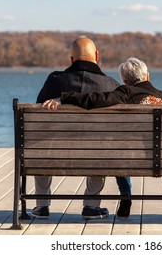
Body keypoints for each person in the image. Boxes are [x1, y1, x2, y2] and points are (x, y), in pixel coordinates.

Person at [43, 57, 162, 217]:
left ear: (124, 81)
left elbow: (94, 100)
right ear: (148, 76)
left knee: (121, 149)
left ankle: (126, 196)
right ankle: (125, 197)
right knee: (126, 147)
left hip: (131, 156)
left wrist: (64, 97)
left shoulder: (125, 92)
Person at [32, 36, 131, 220]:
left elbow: (38, 117)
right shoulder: (110, 85)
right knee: (100, 147)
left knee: (43, 146)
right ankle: (91, 206)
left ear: (71, 59)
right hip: (93, 155)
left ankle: (42, 205)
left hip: (54, 153)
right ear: (97, 56)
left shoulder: (54, 80)